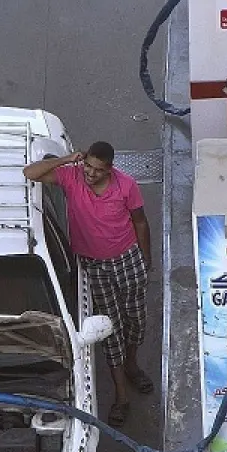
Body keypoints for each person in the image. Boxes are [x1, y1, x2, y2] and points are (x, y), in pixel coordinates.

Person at [24, 142, 152, 426]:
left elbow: (140, 223)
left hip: (127, 258)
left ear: (110, 170)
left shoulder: (126, 186)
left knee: (136, 319)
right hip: (94, 265)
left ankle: (133, 365)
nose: (91, 174)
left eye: (98, 170)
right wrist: (68, 159)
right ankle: (121, 395)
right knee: (110, 328)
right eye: (88, 166)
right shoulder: (71, 176)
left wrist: (146, 260)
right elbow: (31, 172)